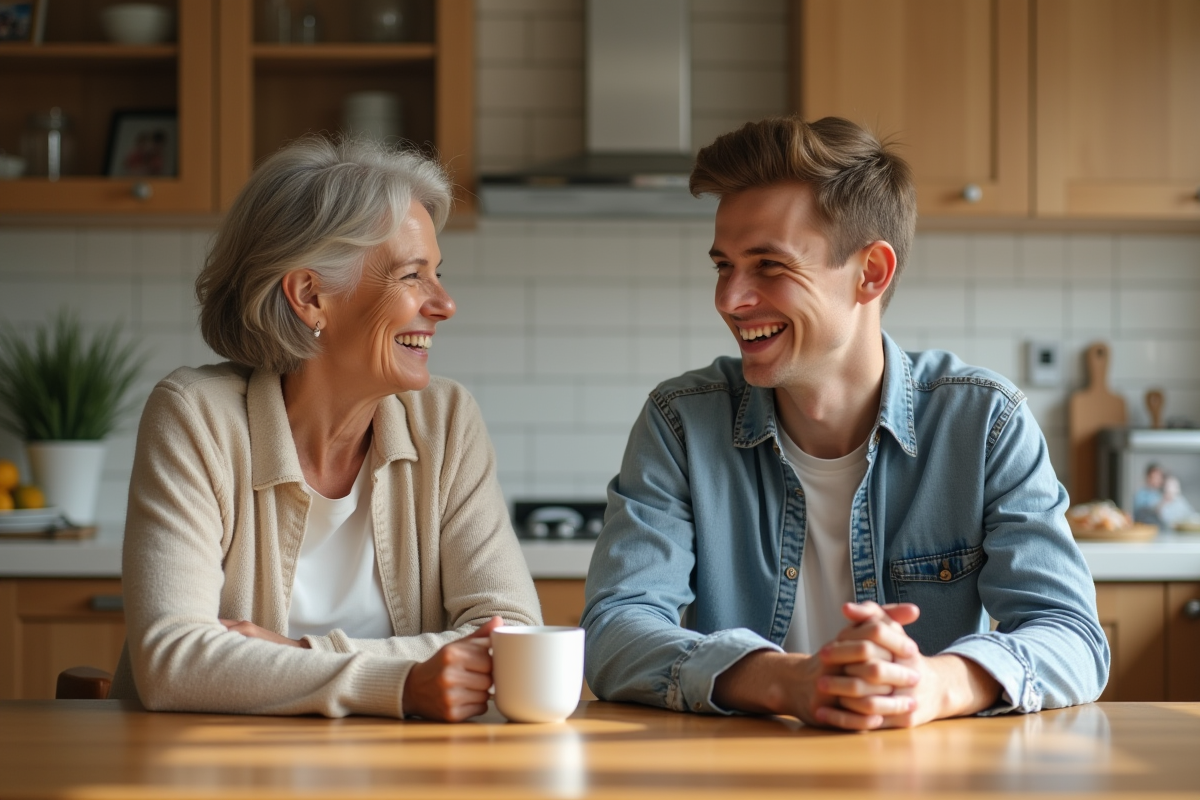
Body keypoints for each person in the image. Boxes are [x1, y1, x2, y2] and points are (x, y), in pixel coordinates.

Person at [582, 116, 1109, 731]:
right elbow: (615, 629)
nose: (729, 299)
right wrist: (787, 682)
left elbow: (1072, 635)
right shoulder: (682, 423)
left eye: (769, 266)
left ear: (871, 273)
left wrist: (933, 685)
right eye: (723, 265)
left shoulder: (984, 423)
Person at [109, 136, 542, 721]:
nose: (444, 304)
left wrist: (299, 653)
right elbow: (172, 662)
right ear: (312, 296)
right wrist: (400, 681)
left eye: (437, 274)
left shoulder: (446, 421)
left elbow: (512, 636)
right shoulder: (196, 416)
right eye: (414, 276)